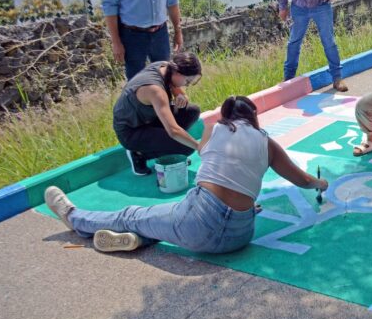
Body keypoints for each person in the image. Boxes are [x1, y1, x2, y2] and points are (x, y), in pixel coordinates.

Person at [44, 95, 328, 254]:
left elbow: (206, 156)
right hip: (241, 235)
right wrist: (321, 182)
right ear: (254, 116)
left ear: (225, 116)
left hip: (197, 223)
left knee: (133, 214)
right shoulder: (267, 143)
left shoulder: (215, 128)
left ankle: (74, 217)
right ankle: (138, 240)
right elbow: (303, 180)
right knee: (158, 222)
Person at [113, 52, 203, 176]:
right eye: (187, 81)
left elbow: (176, 88)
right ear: (177, 72)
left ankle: (170, 149)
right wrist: (200, 147)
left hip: (147, 119)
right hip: (131, 131)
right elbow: (173, 131)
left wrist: (181, 95)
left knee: (191, 111)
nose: (186, 85)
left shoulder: (165, 67)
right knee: (186, 147)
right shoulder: (154, 90)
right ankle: (139, 154)